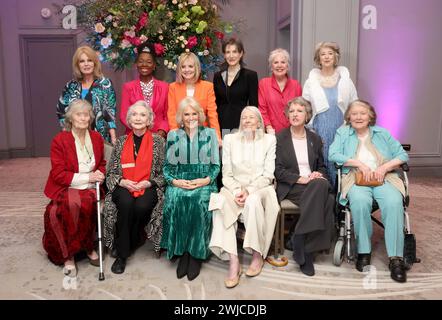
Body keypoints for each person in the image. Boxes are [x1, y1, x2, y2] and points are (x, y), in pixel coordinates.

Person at [329, 100, 409, 283]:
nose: (358, 117)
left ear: (370, 116)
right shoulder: (343, 133)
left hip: (384, 178)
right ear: (348, 117)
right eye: (354, 113)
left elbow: (402, 155)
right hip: (356, 179)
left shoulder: (382, 133)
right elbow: (332, 155)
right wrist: (358, 163)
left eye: (363, 113)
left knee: (394, 202)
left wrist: (385, 167)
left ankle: (396, 259)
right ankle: (363, 251)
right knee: (359, 202)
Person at [209, 107, 279, 288]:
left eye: (251, 117)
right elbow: (226, 174)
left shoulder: (269, 140)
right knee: (220, 202)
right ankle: (234, 261)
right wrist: (235, 191)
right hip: (234, 187)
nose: (247, 120)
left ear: (259, 122)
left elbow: (268, 174)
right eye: (244, 117)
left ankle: (257, 254)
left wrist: (249, 190)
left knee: (254, 201)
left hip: (261, 188)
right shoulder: (230, 139)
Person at [43, 99, 106, 277]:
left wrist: (100, 173)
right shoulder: (60, 140)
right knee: (68, 207)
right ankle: (68, 255)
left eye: (86, 114)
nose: (83, 118)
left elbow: (101, 163)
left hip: (91, 185)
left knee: (86, 203)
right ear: (70, 117)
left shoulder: (96, 137)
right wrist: (88, 177)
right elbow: (59, 174)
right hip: (67, 185)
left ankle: (87, 246)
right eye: (79, 114)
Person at [103, 101, 166, 274]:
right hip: (124, 184)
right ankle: (122, 255)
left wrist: (150, 182)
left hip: (148, 184)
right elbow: (111, 172)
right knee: (126, 203)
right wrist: (122, 181)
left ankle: (130, 238)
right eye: (134, 114)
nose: (138, 118)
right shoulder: (121, 141)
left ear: (149, 120)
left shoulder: (158, 142)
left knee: (142, 205)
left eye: (143, 115)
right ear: (129, 120)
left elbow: (165, 172)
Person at [161, 97, 220, 281]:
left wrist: (205, 181)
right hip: (180, 181)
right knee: (178, 198)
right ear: (181, 116)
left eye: (194, 113)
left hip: (204, 182)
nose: (191, 117)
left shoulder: (210, 134)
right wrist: (175, 182)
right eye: (186, 114)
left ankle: (195, 254)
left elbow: (216, 166)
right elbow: (167, 168)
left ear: (200, 115)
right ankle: (183, 252)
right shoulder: (173, 135)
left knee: (196, 200)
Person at [274, 97, 334, 276]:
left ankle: (300, 239)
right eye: (291, 111)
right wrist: (301, 179)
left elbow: (321, 166)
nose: (295, 114)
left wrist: (318, 175)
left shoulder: (314, 138)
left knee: (320, 186)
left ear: (307, 115)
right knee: (328, 200)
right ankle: (307, 249)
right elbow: (277, 170)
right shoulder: (279, 138)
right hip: (292, 186)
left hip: (313, 183)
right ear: (287, 115)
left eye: (299, 111)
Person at [303, 42, 358, 185]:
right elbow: (305, 108)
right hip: (318, 129)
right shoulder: (311, 82)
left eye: (330, 53)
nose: (326, 57)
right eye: (323, 54)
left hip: (341, 128)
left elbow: (354, 104)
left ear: (336, 57)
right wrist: (310, 131)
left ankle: (339, 200)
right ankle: (323, 199)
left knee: (339, 163)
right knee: (320, 162)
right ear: (318, 59)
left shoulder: (346, 80)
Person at [57, 46, 117, 144]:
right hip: (75, 136)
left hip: (99, 136)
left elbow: (110, 112)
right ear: (77, 65)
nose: (86, 64)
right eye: (82, 61)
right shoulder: (71, 85)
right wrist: (66, 133)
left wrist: (113, 137)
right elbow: (61, 111)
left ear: (95, 63)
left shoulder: (105, 84)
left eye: (89, 60)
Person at [167, 52, 222, 145]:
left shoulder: (207, 87)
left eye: (190, 66)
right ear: (179, 69)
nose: (187, 70)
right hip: (180, 135)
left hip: (202, 135)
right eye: (183, 67)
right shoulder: (173, 87)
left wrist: (216, 136)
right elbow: (172, 114)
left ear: (196, 68)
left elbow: (212, 114)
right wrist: (175, 135)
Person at [119, 43, 169, 138]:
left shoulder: (165, 87)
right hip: (134, 136)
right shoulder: (128, 87)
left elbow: (168, 114)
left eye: (149, 62)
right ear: (136, 64)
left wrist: (161, 131)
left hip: (158, 137)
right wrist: (139, 130)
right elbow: (124, 115)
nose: (144, 64)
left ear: (154, 65)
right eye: (141, 61)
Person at [213, 38, 258, 132]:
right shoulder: (217, 76)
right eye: (227, 52)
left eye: (234, 52)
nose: (231, 56)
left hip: (242, 125)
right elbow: (215, 104)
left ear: (241, 54)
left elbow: (254, 105)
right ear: (224, 55)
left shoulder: (250, 75)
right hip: (222, 124)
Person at [258, 48, 302, 135]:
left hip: (292, 133)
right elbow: (262, 109)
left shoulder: (296, 85)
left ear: (287, 65)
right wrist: (268, 127)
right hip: (270, 133)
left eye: (283, 62)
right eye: (276, 62)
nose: (279, 65)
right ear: (271, 66)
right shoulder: (264, 83)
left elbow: (299, 110)